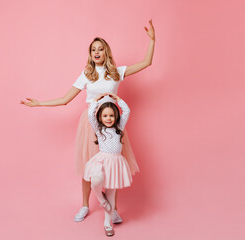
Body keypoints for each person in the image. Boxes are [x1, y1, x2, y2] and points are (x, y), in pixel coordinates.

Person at [20, 20, 155, 223]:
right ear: (90, 54)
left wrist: (152, 40)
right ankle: (85, 205)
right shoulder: (86, 74)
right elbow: (65, 100)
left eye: (101, 49)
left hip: (112, 123)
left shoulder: (116, 71)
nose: (97, 52)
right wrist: (39, 103)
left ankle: (114, 209)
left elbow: (146, 63)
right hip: (91, 123)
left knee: (111, 166)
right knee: (88, 167)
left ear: (106, 52)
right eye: (93, 49)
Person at [84, 93, 132, 237]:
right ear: (100, 118)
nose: (108, 118)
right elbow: (90, 115)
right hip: (102, 161)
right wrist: (95, 101)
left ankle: (107, 224)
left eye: (111, 115)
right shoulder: (99, 129)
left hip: (115, 162)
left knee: (111, 192)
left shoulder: (120, 128)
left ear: (116, 117)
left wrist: (118, 99)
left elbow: (127, 111)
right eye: (105, 116)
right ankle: (102, 200)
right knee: (95, 181)